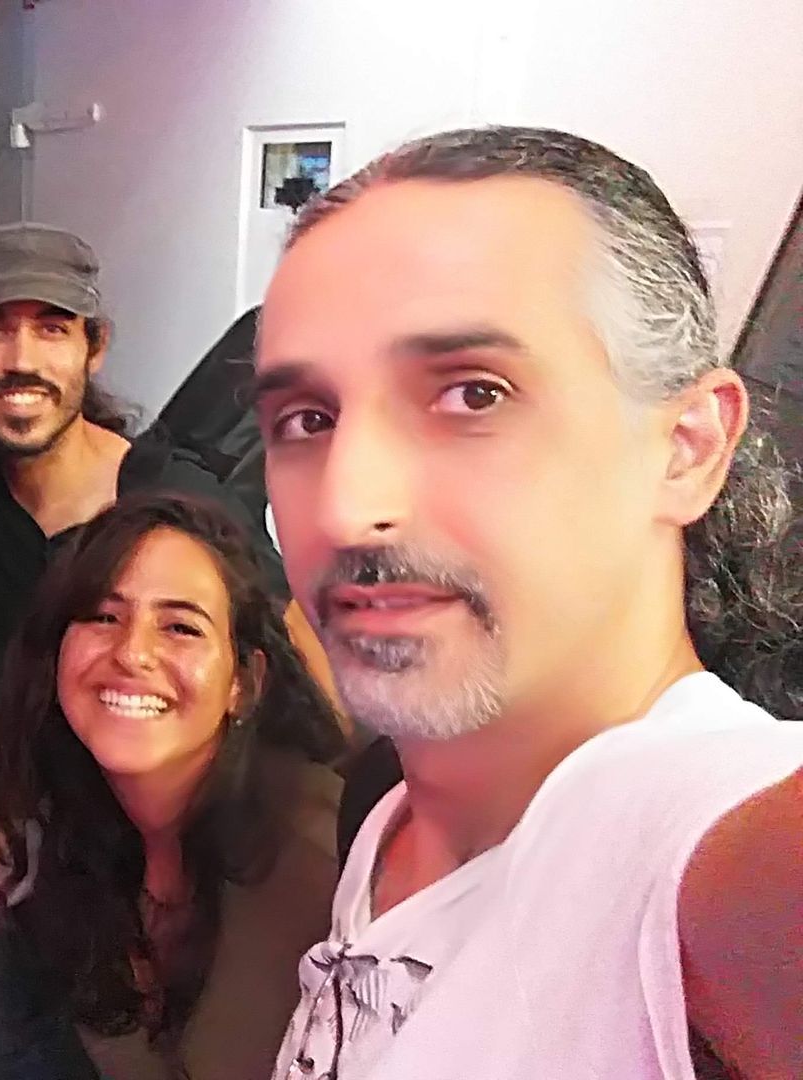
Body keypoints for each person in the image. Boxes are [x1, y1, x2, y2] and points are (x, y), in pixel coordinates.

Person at [253, 126, 803, 1078]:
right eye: (308, 419)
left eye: (474, 395)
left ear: (687, 447)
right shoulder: (392, 815)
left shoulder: (721, 844)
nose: (345, 507)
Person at [0, 494, 343, 1080]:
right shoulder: (63, 838)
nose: (132, 653)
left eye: (181, 627)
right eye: (103, 616)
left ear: (244, 683)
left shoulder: (323, 863)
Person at [0, 224, 336, 776]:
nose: (22, 360)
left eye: (53, 330)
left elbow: (311, 685)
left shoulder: (175, 497)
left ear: (94, 347)